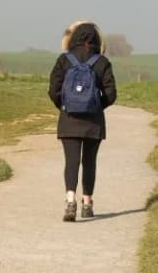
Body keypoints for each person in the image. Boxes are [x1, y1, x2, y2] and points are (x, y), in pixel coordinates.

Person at [48, 20, 117, 221]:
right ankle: (87, 203)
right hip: (93, 122)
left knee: (71, 161)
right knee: (89, 162)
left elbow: (53, 90)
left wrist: (65, 106)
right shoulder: (102, 62)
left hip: (69, 119)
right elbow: (111, 94)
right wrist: (96, 107)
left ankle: (70, 201)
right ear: (95, 39)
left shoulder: (64, 60)